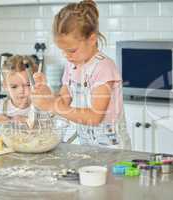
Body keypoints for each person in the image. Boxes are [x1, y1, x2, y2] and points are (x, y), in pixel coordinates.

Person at [32, 0, 131, 149]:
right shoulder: (71, 66)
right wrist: (47, 96)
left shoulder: (103, 68)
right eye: (62, 50)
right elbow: (63, 102)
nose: (66, 55)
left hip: (113, 151)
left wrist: (53, 105)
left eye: (71, 50)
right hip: (88, 148)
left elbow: (95, 117)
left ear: (92, 39)